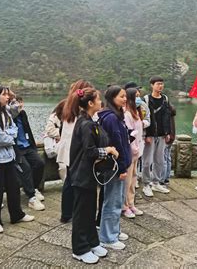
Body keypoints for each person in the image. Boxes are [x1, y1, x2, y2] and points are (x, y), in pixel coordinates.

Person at [69, 87, 119, 264]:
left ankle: (92, 242)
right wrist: (108, 150)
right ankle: (79, 249)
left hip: (88, 175)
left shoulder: (90, 120)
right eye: (98, 100)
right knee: (82, 213)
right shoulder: (85, 124)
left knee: (90, 211)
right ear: (90, 103)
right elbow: (90, 151)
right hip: (81, 175)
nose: (101, 102)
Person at [0, 84, 34, 234]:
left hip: (9, 156)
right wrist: (9, 136)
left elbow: (14, 130)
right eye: (4, 95)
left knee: (14, 187)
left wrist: (8, 135)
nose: (7, 97)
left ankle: (17, 214)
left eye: (7, 94)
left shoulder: (6, 113)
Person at [97, 85, 132, 250]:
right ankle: (108, 237)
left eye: (125, 96)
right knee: (112, 201)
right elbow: (116, 143)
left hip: (118, 164)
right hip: (115, 166)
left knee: (116, 200)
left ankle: (114, 231)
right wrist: (123, 168)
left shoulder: (116, 116)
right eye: (121, 97)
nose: (125, 99)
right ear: (112, 98)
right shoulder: (111, 118)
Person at [57, 80, 93, 223]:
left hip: (68, 149)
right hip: (75, 150)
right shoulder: (80, 110)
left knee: (69, 181)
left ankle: (66, 213)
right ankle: (71, 213)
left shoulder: (68, 106)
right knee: (73, 182)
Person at [12, 96, 45, 211]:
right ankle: (31, 197)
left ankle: (34, 188)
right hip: (17, 148)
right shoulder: (9, 116)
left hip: (27, 145)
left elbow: (28, 129)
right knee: (25, 168)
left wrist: (33, 146)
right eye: (16, 103)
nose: (19, 105)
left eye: (20, 102)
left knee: (40, 163)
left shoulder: (23, 114)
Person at [142, 76, 172, 197]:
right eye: (158, 84)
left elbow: (167, 116)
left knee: (160, 160)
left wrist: (167, 132)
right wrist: (147, 134)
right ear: (152, 85)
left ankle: (156, 182)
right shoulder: (146, 99)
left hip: (161, 135)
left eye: (162, 84)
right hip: (150, 135)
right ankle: (146, 184)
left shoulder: (165, 98)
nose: (160, 86)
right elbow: (144, 117)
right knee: (147, 161)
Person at [122, 88, 144, 219]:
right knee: (127, 179)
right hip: (130, 152)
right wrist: (134, 148)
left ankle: (131, 203)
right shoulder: (127, 114)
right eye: (136, 96)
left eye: (139, 96)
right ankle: (124, 206)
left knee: (134, 178)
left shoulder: (136, 112)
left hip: (137, 152)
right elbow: (129, 133)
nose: (138, 99)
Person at [162, 104, 176, 185]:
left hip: (167, 137)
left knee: (163, 159)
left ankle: (162, 179)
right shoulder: (172, 111)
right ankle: (167, 178)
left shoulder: (166, 112)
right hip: (172, 136)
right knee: (168, 158)